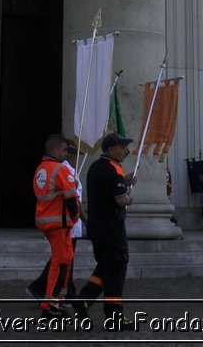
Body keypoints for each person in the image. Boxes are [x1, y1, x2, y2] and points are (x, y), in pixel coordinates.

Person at [72, 132, 135, 328]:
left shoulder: (96, 167)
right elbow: (121, 200)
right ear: (111, 149)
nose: (126, 150)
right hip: (112, 229)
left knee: (106, 268)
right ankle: (114, 318)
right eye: (122, 146)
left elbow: (105, 189)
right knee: (115, 271)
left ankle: (82, 301)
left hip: (97, 228)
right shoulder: (112, 169)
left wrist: (123, 181)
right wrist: (129, 196)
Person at [30, 133, 80, 315]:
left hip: (48, 222)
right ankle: (51, 305)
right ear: (55, 150)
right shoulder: (60, 170)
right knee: (61, 264)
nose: (67, 154)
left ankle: (56, 301)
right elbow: (71, 198)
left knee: (62, 261)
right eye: (65, 150)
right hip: (59, 223)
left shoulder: (41, 169)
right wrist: (75, 216)